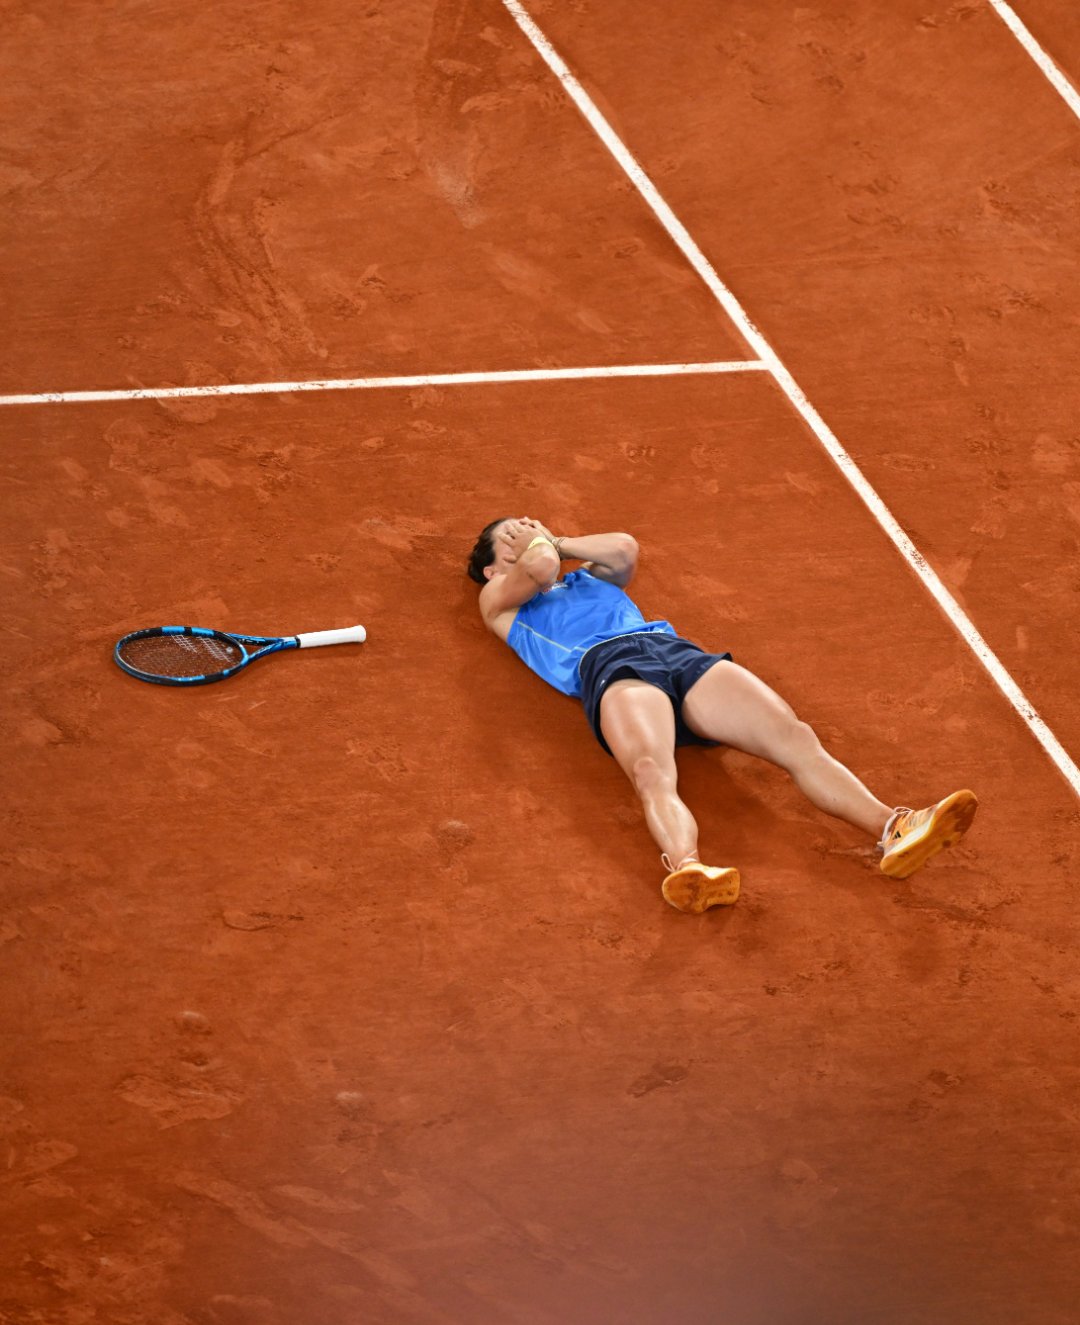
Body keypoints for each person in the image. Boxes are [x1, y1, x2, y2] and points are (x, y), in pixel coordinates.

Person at [467, 516, 977, 914]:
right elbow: (536, 569)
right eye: (509, 533)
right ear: (493, 569)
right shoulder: (500, 602)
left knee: (793, 736)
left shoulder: (586, 577)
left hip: (675, 652)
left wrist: (563, 540)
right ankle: (689, 870)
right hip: (612, 668)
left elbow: (625, 549)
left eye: (526, 522)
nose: (525, 528)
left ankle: (893, 826)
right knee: (651, 771)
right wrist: (542, 547)